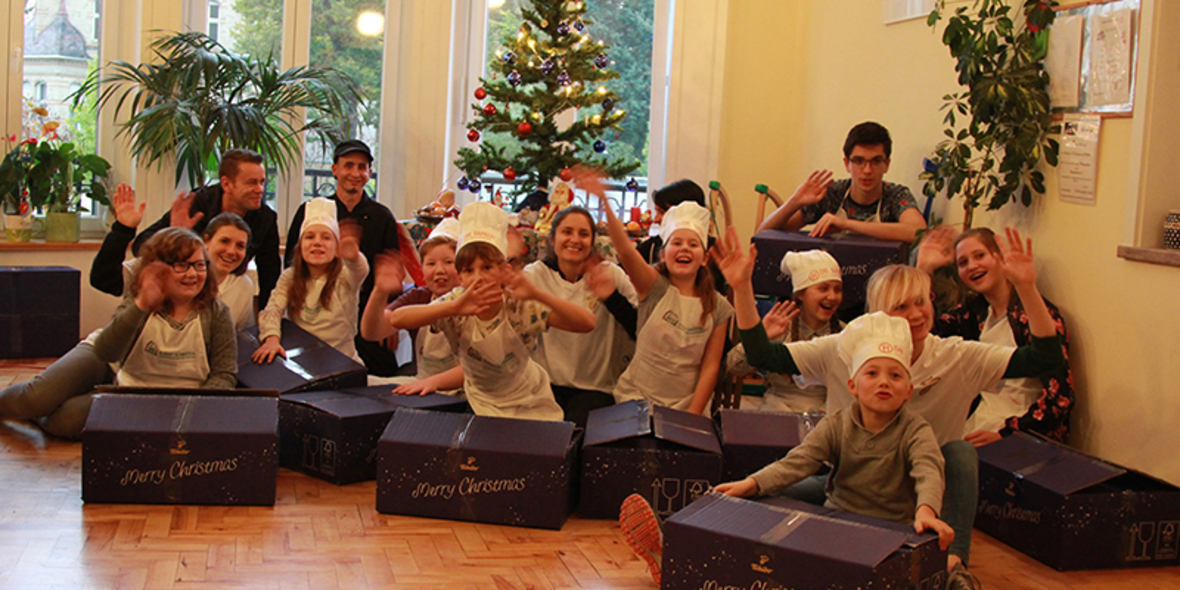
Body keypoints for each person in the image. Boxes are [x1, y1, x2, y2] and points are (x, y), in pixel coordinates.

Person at [711, 225, 1064, 589]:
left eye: (921, 302)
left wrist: (1025, 288)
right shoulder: (843, 347)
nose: (916, 314)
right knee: (760, 494)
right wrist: (742, 287)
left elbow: (1044, 359)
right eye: (901, 307)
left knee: (960, 452)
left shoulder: (956, 356)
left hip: (919, 491)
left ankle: (952, 565)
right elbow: (763, 356)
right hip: (852, 484)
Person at [0, 228, 237, 438]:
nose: (192, 274)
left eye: (199, 265)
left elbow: (224, 374)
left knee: (65, 422)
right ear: (159, 269)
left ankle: (45, 413)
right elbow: (106, 351)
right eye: (181, 265)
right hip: (109, 362)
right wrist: (141, 305)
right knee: (35, 399)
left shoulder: (217, 312)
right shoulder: (141, 298)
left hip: (143, 396)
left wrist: (192, 408)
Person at [388, 202, 596, 421]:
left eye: (487, 268)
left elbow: (587, 323)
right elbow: (397, 319)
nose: (478, 277)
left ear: (503, 270)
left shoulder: (519, 306)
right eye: (469, 270)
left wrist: (537, 294)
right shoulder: (455, 303)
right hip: (480, 402)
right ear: (460, 278)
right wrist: (454, 307)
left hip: (528, 402)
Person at [577, 167, 733, 416]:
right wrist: (604, 200)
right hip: (637, 400)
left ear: (704, 258)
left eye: (693, 244)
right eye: (676, 243)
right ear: (663, 254)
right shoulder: (653, 286)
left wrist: (692, 416)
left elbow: (711, 367)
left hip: (687, 406)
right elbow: (626, 251)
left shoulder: (719, 306)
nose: (684, 249)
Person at [918, 226, 1073, 444]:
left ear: (1000, 258)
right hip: (978, 421)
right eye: (963, 262)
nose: (973, 266)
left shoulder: (1036, 315)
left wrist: (1006, 434)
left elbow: (1061, 399)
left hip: (1022, 434)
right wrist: (924, 269)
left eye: (980, 256)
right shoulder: (976, 310)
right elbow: (924, 334)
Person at [285, 140, 403, 376]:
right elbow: (292, 263)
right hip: (320, 315)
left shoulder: (382, 216)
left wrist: (390, 317)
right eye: (348, 165)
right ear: (335, 169)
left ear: (369, 173)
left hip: (368, 315)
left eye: (362, 167)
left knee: (380, 379)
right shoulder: (311, 211)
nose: (355, 173)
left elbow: (391, 269)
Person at [524, 206, 639, 426]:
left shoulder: (611, 274)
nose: (575, 240)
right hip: (544, 385)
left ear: (593, 241)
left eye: (584, 234)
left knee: (575, 431)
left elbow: (639, 329)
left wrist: (612, 298)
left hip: (596, 388)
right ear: (552, 239)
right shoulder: (535, 275)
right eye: (567, 232)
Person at [92, 185, 257, 330]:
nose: (231, 251)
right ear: (206, 241)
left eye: (240, 246)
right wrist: (123, 230)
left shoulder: (242, 286)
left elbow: (240, 336)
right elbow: (104, 280)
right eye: (224, 241)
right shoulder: (159, 266)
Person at [130, 148, 281, 306]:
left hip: (226, 293)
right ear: (226, 184)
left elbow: (270, 275)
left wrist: (268, 319)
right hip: (180, 294)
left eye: (262, 182)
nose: (260, 190)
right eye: (252, 182)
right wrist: (173, 235)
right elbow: (139, 247)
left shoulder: (266, 218)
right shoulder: (197, 203)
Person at [757, 122, 926, 244]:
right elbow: (763, 235)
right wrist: (794, 202)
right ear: (847, 164)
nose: (867, 170)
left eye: (876, 161)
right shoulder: (831, 193)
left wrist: (845, 224)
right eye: (858, 161)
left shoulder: (896, 195)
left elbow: (918, 232)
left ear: (886, 164)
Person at [726, 249, 844, 413]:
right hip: (776, 412)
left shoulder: (846, 333)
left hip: (827, 416)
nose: (832, 296)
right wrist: (761, 336)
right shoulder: (781, 326)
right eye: (823, 289)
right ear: (801, 294)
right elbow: (734, 366)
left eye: (837, 290)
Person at [254, 198, 369, 364]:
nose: (317, 243)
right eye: (309, 237)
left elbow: (359, 271)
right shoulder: (289, 277)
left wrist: (354, 257)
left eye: (326, 238)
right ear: (300, 247)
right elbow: (273, 309)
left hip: (343, 362)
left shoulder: (344, 277)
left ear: (337, 250)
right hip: (303, 363)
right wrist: (272, 339)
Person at [360, 219, 464, 394]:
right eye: (431, 263)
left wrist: (433, 383)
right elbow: (372, 332)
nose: (439, 270)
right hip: (422, 385)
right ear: (422, 269)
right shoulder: (419, 297)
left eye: (448, 262)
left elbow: (480, 368)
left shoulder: (473, 301)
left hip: (463, 393)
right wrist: (380, 291)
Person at [636, 179, 728, 294]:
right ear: (662, 254)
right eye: (677, 243)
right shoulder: (653, 246)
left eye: (662, 212)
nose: (656, 219)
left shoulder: (715, 251)